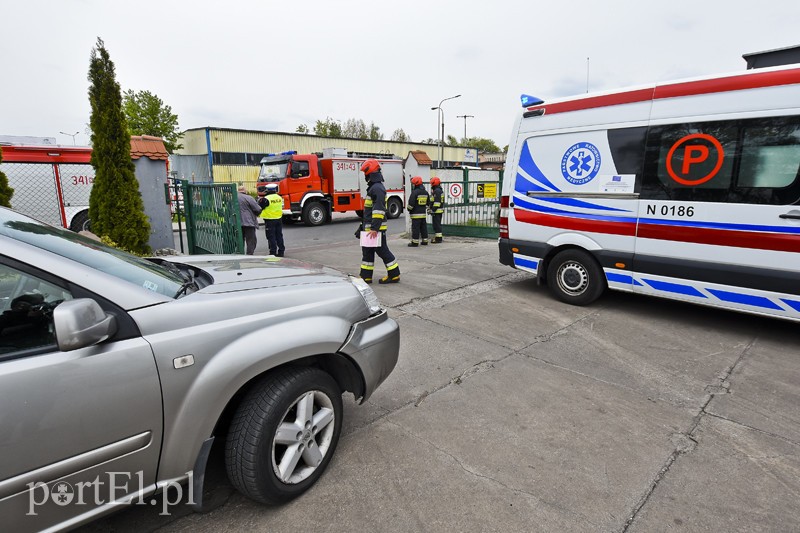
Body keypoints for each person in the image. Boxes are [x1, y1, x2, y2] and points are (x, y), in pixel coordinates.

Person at [359, 159, 400, 284]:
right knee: (367, 253)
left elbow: (378, 211)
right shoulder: (374, 188)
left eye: (365, 174)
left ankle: (394, 274)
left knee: (382, 251)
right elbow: (370, 212)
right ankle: (365, 277)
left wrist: (374, 229)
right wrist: (363, 227)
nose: (365, 176)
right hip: (370, 228)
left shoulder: (377, 188)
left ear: (369, 173)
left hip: (375, 229)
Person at [258, 183, 285, 256]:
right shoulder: (279, 197)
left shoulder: (266, 199)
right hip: (279, 218)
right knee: (279, 235)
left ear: (267, 190)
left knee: (271, 236)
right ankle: (281, 251)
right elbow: (282, 206)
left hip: (269, 220)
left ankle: (273, 252)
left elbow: (260, 207)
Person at [237, 185, 262, 255]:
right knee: (251, 240)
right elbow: (258, 209)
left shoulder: (233, 198)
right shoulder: (249, 198)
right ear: (245, 191)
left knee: (239, 240)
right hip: (248, 222)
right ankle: (249, 254)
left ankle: (239, 254)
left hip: (236, 223)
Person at [407, 176, 429, 246]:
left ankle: (415, 242)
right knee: (423, 228)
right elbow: (428, 203)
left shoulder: (415, 192)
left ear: (415, 184)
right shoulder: (425, 192)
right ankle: (425, 241)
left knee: (415, 228)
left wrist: (409, 209)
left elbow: (411, 203)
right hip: (423, 214)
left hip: (415, 215)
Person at [429, 176, 445, 243]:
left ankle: (438, 239)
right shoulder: (439, 190)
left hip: (437, 211)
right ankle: (438, 238)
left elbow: (437, 203)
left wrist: (432, 210)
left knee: (437, 225)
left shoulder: (437, 191)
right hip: (438, 210)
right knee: (437, 225)